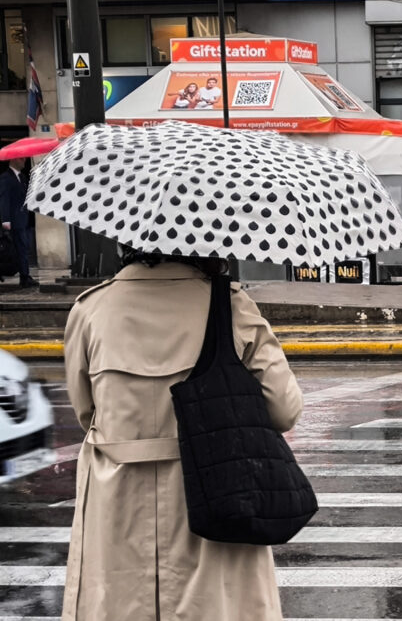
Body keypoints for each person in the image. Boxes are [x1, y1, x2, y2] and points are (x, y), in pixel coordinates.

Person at [61, 250, 303, 620]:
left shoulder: (91, 309)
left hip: (117, 500)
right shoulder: (230, 306)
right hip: (216, 492)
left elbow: (85, 411)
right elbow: (284, 410)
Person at [0, 157, 37, 287]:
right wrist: (5, 220)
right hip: (14, 221)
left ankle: (25, 275)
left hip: (24, 219)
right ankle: (24, 277)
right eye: (21, 159)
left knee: (24, 248)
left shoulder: (22, 178)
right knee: (19, 248)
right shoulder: (5, 178)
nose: (24, 161)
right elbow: (4, 199)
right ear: (14, 160)